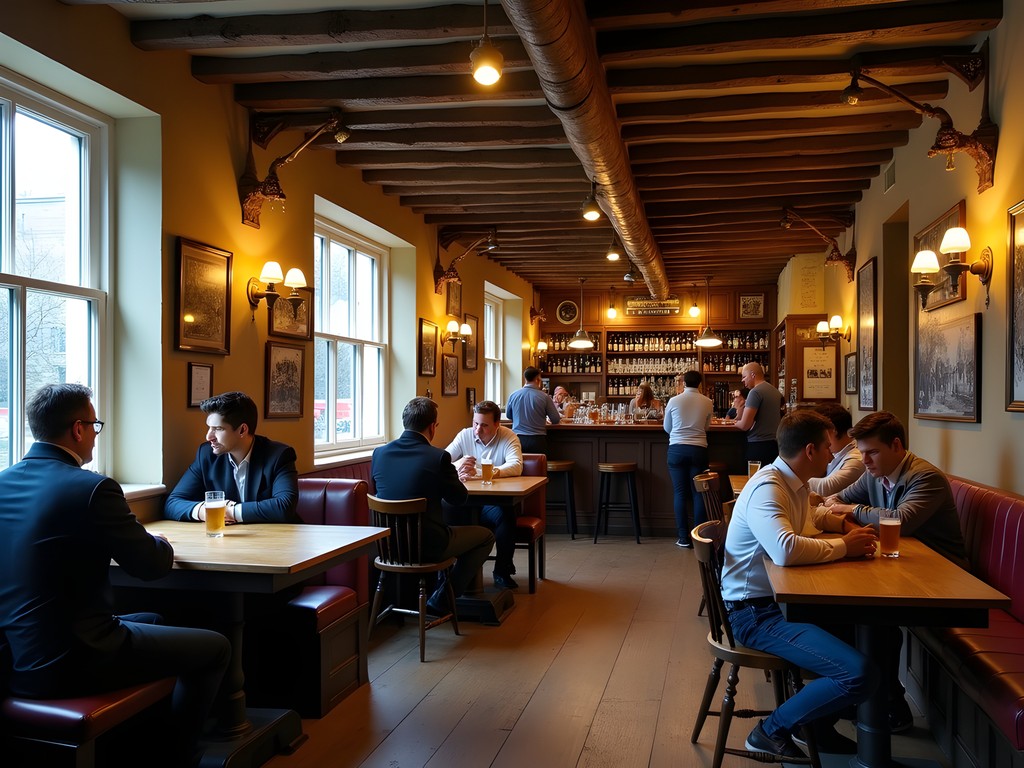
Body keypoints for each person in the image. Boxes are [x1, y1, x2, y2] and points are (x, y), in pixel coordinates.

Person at [0, 384, 230, 766]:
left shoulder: (5, 482)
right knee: (216, 647)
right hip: (70, 660)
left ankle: (134, 747)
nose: (94, 434)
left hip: (16, 654)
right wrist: (159, 542)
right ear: (77, 429)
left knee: (153, 620)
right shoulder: (93, 488)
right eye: (94, 425)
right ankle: (177, 757)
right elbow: (150, 566)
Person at [722, 410, 879, 758]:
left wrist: (845, 529)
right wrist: (843, 547)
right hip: (754, 614)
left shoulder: (793, 482)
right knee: (859, 673)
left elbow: (810, 518)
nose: (833, 454)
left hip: (777, 603)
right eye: (827, 447)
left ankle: (818, 728)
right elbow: (785, 549)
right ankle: (769, 730)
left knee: (876, 638)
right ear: (810, 451)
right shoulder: (769, 487)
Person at [823, 410, 968, 733]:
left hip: (943, 579)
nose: (866, 460)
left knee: (874, 620)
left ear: (897, 445)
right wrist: (826, 504)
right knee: (847, 613)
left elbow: (902, 520)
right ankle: (869, 697)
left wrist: (852, 511)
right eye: (862, 452)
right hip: (898, 569)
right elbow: (838, 499)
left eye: (872, 451)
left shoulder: (925, 477)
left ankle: (889, 705)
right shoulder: (874, 473)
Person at [371, 397, 495, 615]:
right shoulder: (437, 457)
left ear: (404, 422)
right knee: (485, 537)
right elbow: (459, 498)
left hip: (387, 546)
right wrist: (455, 476)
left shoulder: (379, 454)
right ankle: (443, 599)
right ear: (432, 427)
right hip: (427, 546)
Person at [165, 391, 300, 524]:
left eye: (218, 429)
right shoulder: (206, 455)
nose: (209, 437)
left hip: (277, 540)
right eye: (209, 428)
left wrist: (229, 511)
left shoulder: (279, 455)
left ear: (242, 430)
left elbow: (284, 507)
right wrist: (205, 511)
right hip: (229, 541)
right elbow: (172, 504)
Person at [445, 400, 524, 589]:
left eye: (484, 425)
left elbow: (516, 465)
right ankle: (455, 577)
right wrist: (459, 466)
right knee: (444, 509)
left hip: (492, 503)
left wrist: (485, 472)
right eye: (475, 423)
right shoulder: (464, 435)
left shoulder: (508, 436)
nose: (478, 430)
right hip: (465, 501)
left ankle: (502, 572)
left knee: (506, 515)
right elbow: (443, 460)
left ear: (497, 424)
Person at [663, 370, 713, 548]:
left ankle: (683, 538)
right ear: (700, 383)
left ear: (683, 382)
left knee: (680, 493)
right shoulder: (708, 402)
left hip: (676, 450)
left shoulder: (674, 401)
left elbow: (667, 427)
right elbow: (706, 427)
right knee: (698, 493)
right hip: (699, 450)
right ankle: (698, 537)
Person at [807, 402, 864, 498]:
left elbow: (826, 488)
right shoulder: (837, 453)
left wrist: (795, 478)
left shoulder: (857, 460)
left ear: (833, 430)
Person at [734, 361, 783, 464]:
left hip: (758, 445)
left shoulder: (755, 392)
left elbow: (744, 425)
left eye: (744, 377)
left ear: (752, 374)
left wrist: (733, 423)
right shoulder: (775, 391)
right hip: (774, 446)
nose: (742, 380)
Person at [505, 366, 561, 455]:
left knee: (518, 467)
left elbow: (508, 415)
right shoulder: (544, 397)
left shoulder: (513, 395)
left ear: (525, 378)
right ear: (538, 379)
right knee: (538, 467)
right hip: (537, 440)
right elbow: (555, 419)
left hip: (517, 438)